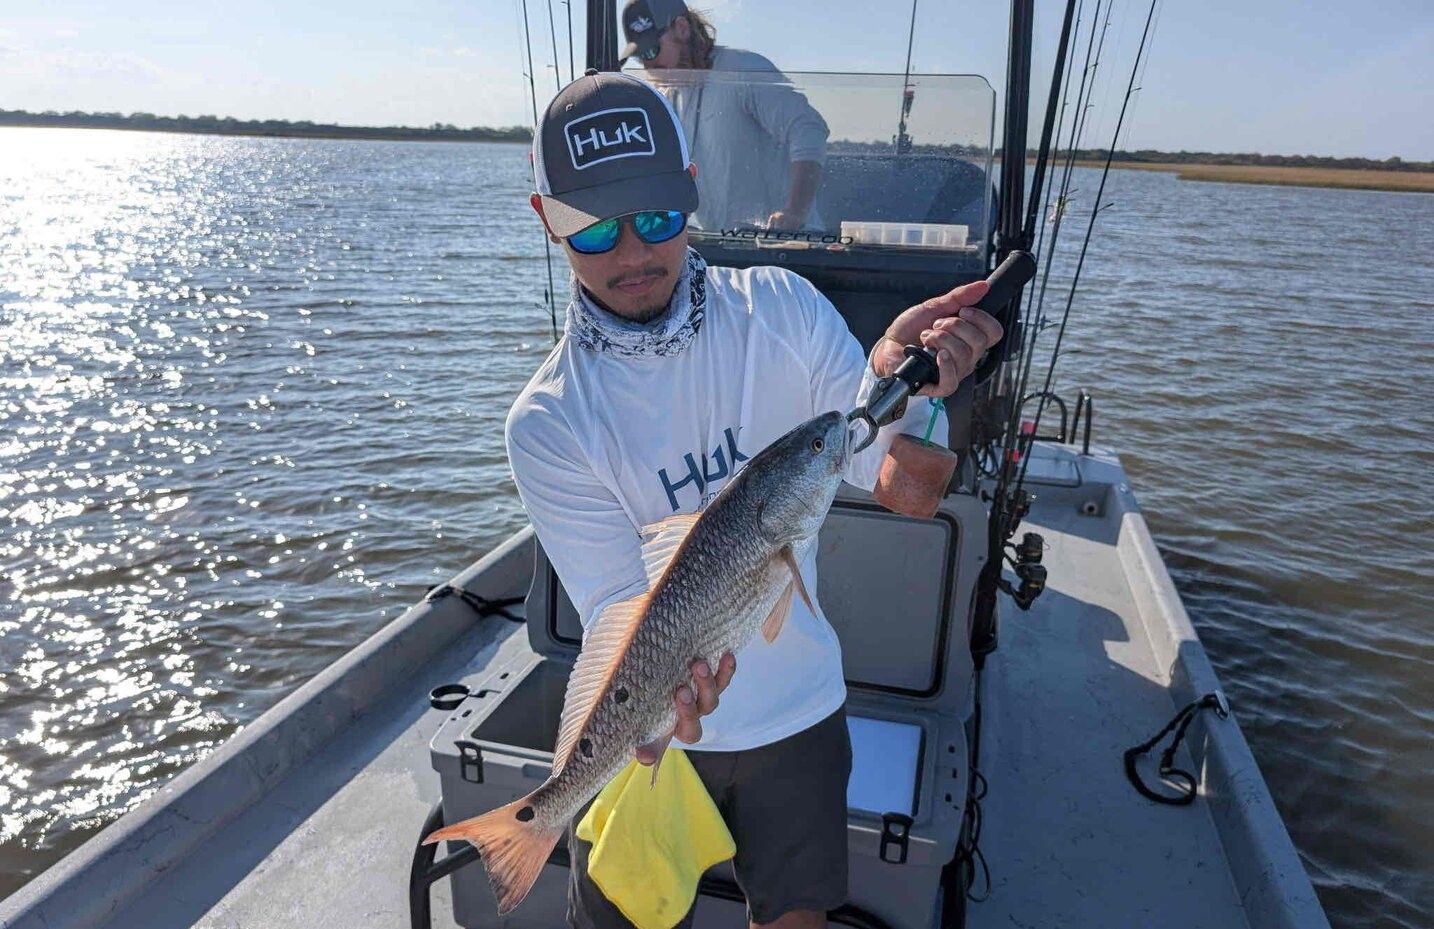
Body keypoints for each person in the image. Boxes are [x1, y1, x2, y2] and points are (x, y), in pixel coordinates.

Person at [508, 71, 1002, 929]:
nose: (630, 252)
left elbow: (908, 489)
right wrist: (669, 697)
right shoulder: (548, 421)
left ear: (691, 196)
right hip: (644, 733)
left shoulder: (784, 310)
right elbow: (619, 616)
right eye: (591, 226)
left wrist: (916, 388)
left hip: (798, 714)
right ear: (546, 220)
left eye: (655, 217)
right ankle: (539, 821)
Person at [619, 0, 827, 232]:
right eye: (640, 57)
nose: (649, 64)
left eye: (651, 50)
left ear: (682, 28)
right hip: (724, 255)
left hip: (786, 250)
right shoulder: (667, 99)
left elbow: (808, 129)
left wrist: (794, 213)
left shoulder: (743, 69)